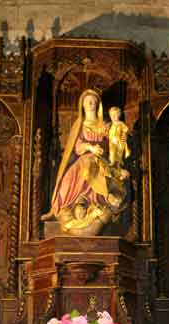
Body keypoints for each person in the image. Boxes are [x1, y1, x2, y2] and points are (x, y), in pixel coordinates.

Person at [42, 89, 129, 233]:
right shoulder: (79, 125)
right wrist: (89, 147)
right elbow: (76, 147)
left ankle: (103, 198)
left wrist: (119, 141)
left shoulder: (105, 126)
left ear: (98, 105)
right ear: (82, 104)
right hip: (84, 160)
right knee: (68, 181)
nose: (90, 104)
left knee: (92, 167)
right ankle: (63, 207)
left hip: (101, 162)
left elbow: (112, 147)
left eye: (93, 101)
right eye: (87, 101)